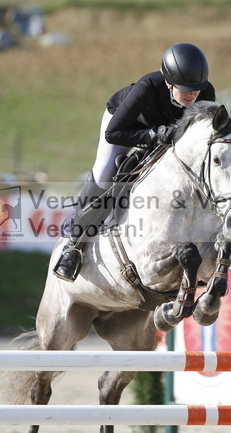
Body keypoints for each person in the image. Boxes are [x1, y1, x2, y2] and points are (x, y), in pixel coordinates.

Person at [53, 42, 216, 282]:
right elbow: (113, 133)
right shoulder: (146, 88)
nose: (192, 95)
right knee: (105, 172)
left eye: (197, 89)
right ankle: (74, 246)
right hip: (126, 127)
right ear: (169, 82)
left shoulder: (206, 93)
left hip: (168, 136)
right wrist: (153, 135)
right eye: (185, 89)